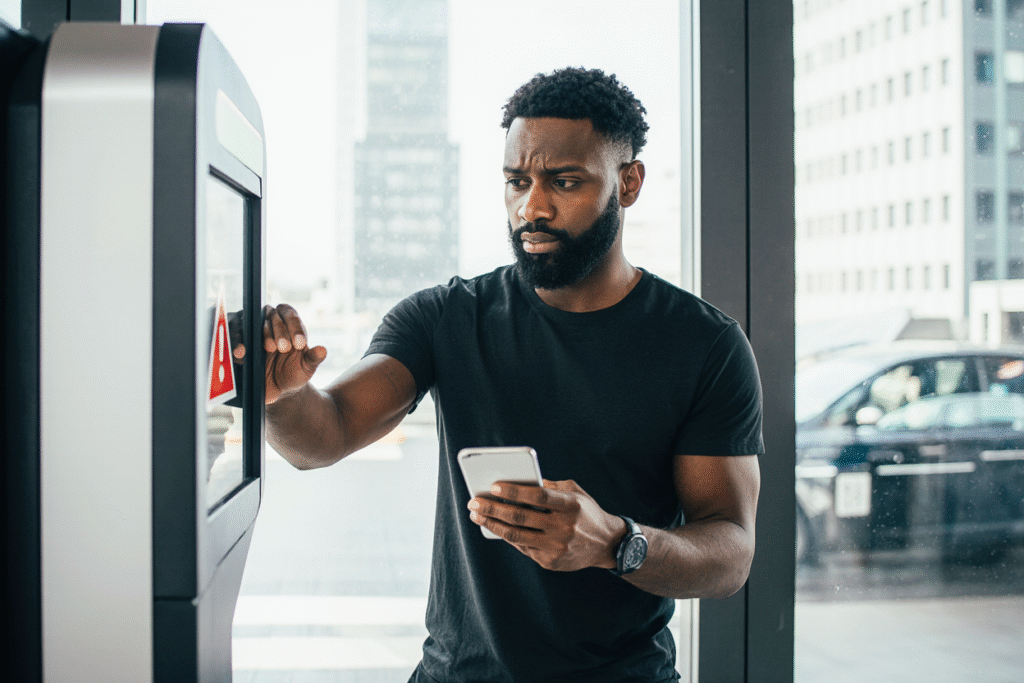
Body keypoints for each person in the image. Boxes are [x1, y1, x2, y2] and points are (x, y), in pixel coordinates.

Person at [262, 67, 763, 683]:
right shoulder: (446, 316)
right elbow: (325, 435)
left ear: (628, 183)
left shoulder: (705, 344)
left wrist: (614, 542)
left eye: (565, 182)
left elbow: (731, 554)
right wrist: (282, 397)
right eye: (516, 181)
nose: (533, 206)